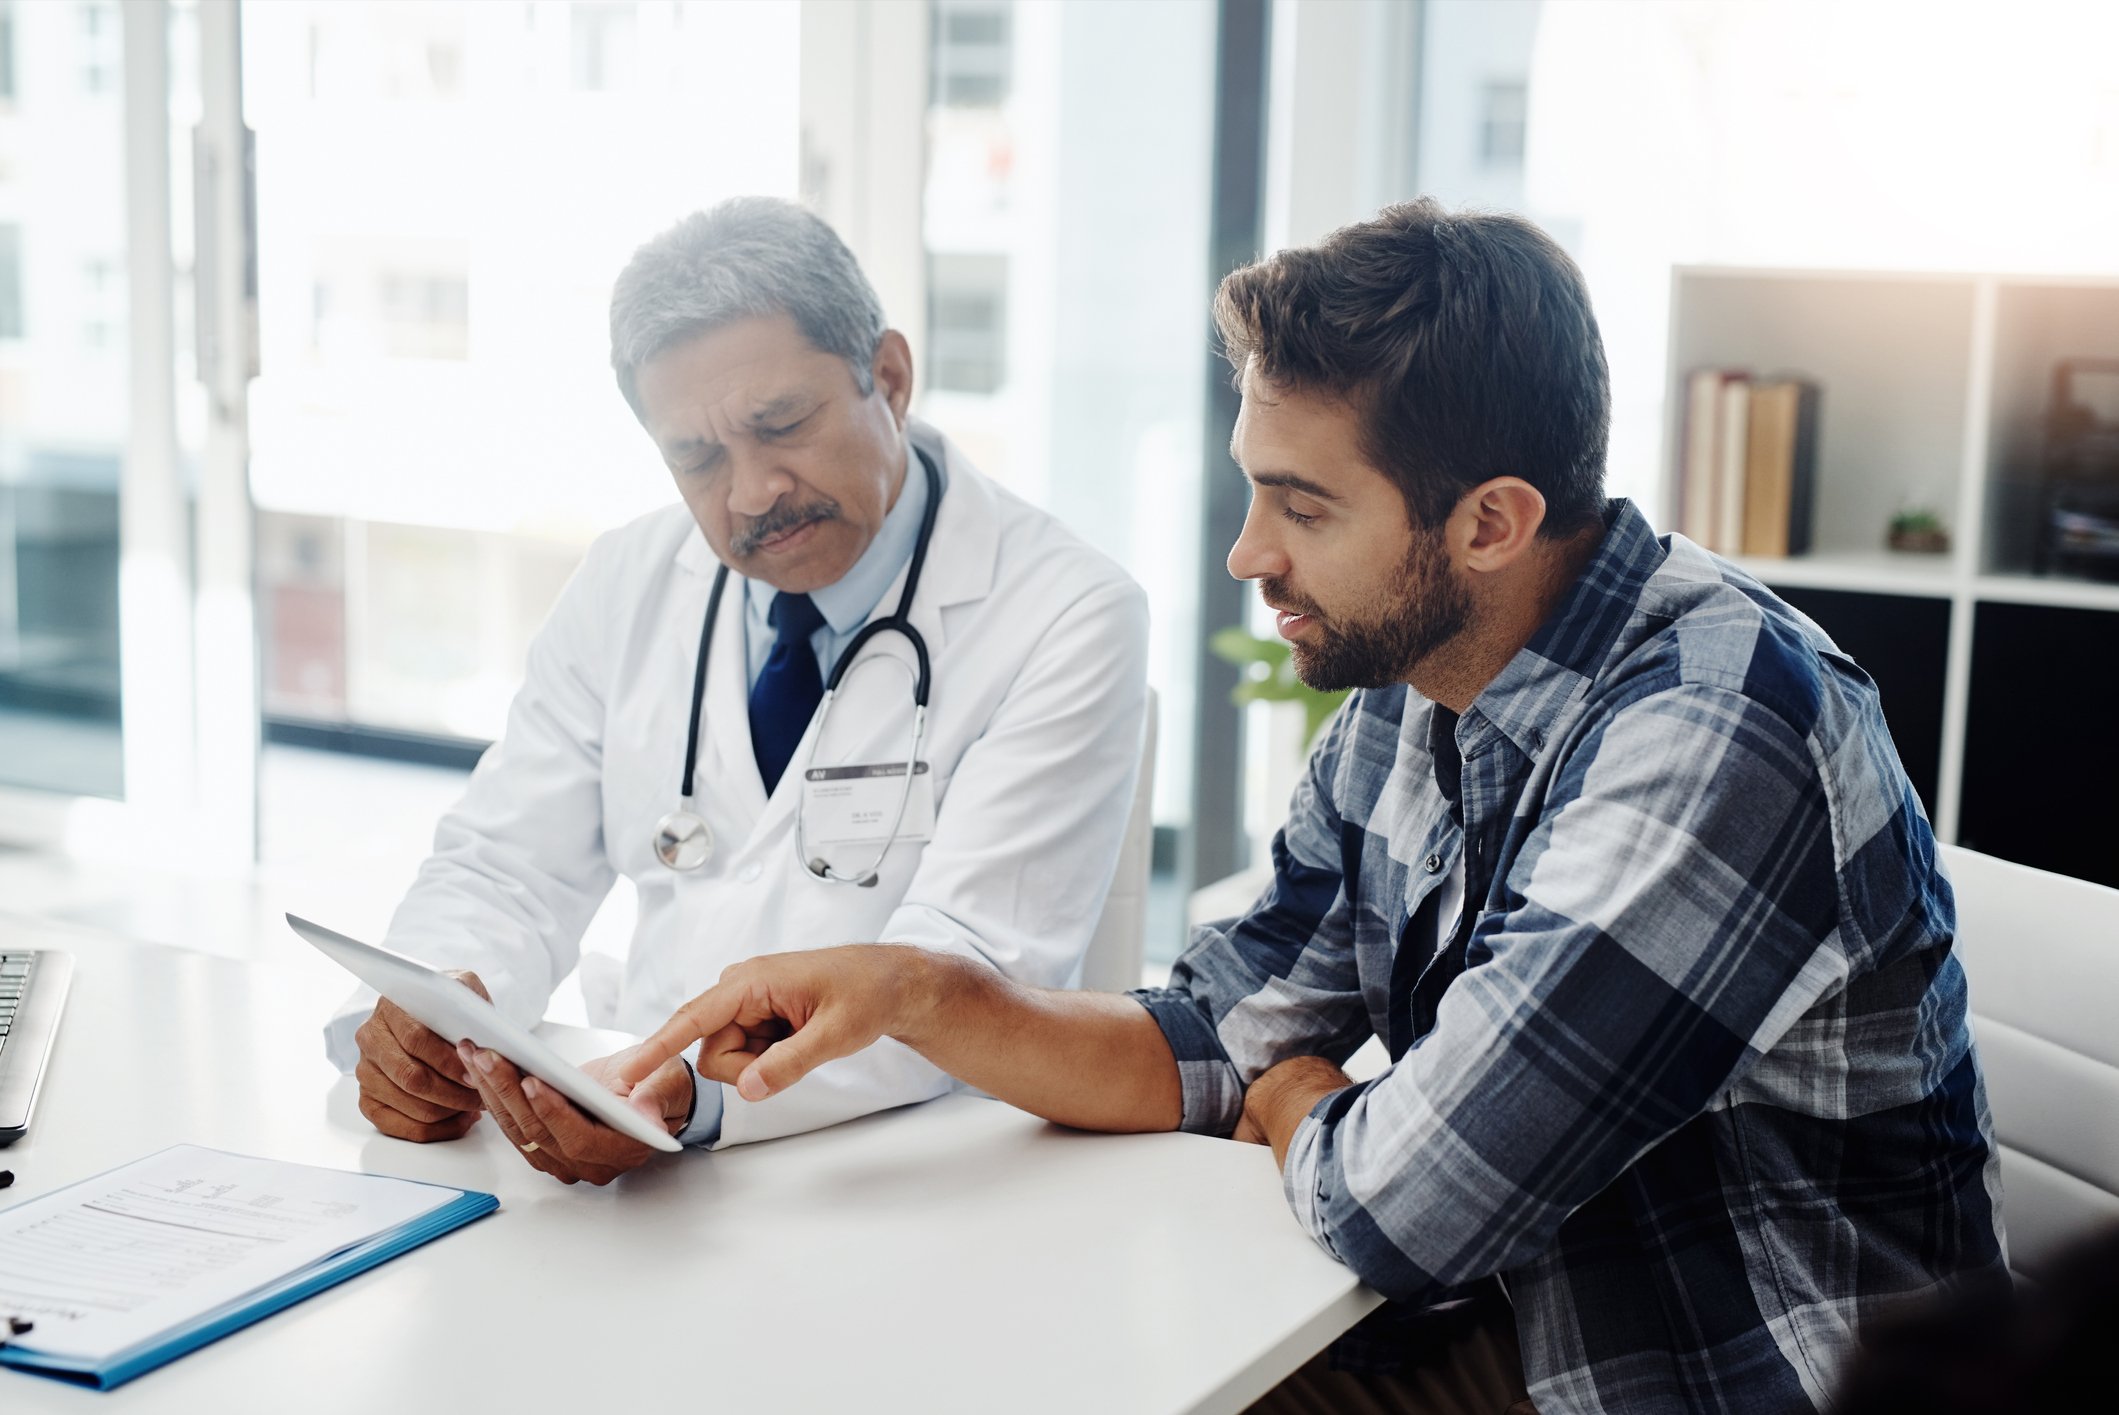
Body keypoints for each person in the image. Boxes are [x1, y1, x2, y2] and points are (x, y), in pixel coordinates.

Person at [613, 200, 2006, 1413]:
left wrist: (1294, 1097)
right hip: (1526, 1336)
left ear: (1488, 521)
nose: (1245, 552)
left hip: (1720, 1378)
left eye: (1301, 504)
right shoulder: (1422, 678)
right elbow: (1213, 1034)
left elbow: (1406, 1204)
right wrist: (916, 989)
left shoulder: (1715, 729)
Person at [325, 198, 1150, 1183]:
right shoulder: (627, 580)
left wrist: (707, 1099)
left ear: (888, 378)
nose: (752, 491)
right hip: (639, 1153)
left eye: (781, 425)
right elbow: (506, 868)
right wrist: (435, 1026)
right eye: (698, 457)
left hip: (915, 1178)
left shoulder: (1066, 610)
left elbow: (962, 979)